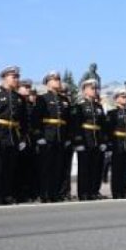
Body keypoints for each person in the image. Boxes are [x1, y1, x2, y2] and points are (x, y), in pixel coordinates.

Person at [0, 66, 28, 205]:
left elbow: (24, 120)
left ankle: (7, 194)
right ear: (5, 77)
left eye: (17, 77)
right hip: (0, 133)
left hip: (14, 134)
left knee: (11, 168)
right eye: (13, 77)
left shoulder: (19, 98)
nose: (16, 79)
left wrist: (22, 137)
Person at [35, 71, 72, 202]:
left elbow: (68, 121)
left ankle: (55, 193)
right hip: (47, 136)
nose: (58, 81)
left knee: (58, 166)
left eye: (58, 79)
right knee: (46, 167)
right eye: (55, 79)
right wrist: (39, 135)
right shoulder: (42, 98)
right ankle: (44, 193)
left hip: (60, 137)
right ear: (48, 82)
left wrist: (67, 137)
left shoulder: (64, 100)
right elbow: (37, 119)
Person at [72, 79, 107, 201]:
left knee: (96, 167)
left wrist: (103, 142)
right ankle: (83, 192)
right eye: (92, 88)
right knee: (84, 168)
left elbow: (103, 126)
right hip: (85, 140)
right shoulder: (80, 106)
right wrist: (79, 141)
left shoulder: (99, 107)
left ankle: (94, 191)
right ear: (84, 90)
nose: (95, 90)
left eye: (96, 88)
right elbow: (76, 125)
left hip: (97, 140)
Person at [106, 88, 126, 199]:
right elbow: (108, 130)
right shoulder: (112, 113)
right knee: (117, 170)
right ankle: (116, 192)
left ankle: (124, 191)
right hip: (116, 143)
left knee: (125, 170)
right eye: (123, 97)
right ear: (116, 98)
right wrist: (109, 145)